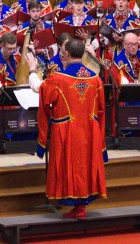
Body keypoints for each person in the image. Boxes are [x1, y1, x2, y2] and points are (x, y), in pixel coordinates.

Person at [37, 38, 107, 219]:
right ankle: (81, 206)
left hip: (67, 130)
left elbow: (44, 98)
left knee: (71, 165)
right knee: (85, 164)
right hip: (90, 131)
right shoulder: (96, 78)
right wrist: (102, 142)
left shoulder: (58, 79)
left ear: (66, 53)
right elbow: (101, 110)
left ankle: (77, 206)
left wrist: (31, 71)